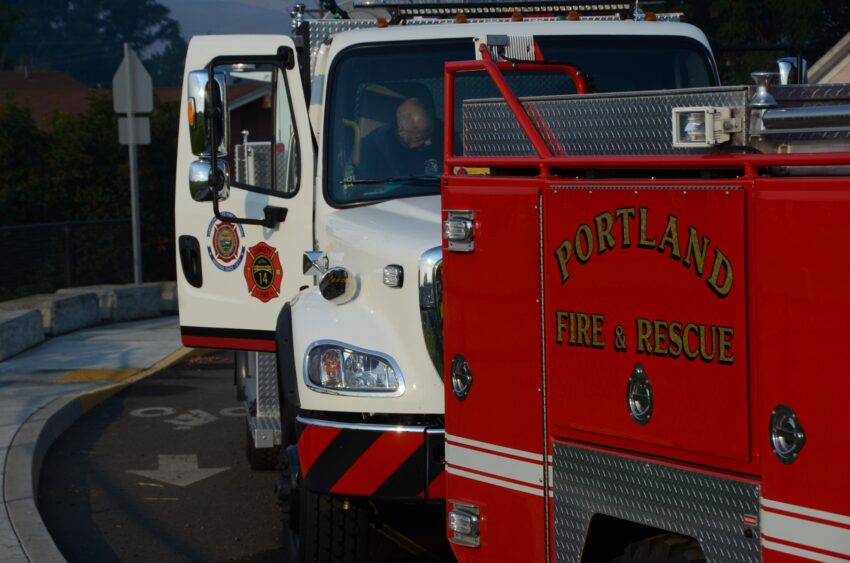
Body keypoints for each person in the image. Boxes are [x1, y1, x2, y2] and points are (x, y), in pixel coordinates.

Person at [357, 97, 442, 179]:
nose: (429, 142)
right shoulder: (370, 150)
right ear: (401, 131)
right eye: (421, 138)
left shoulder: (443, 134)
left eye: (431, 134)